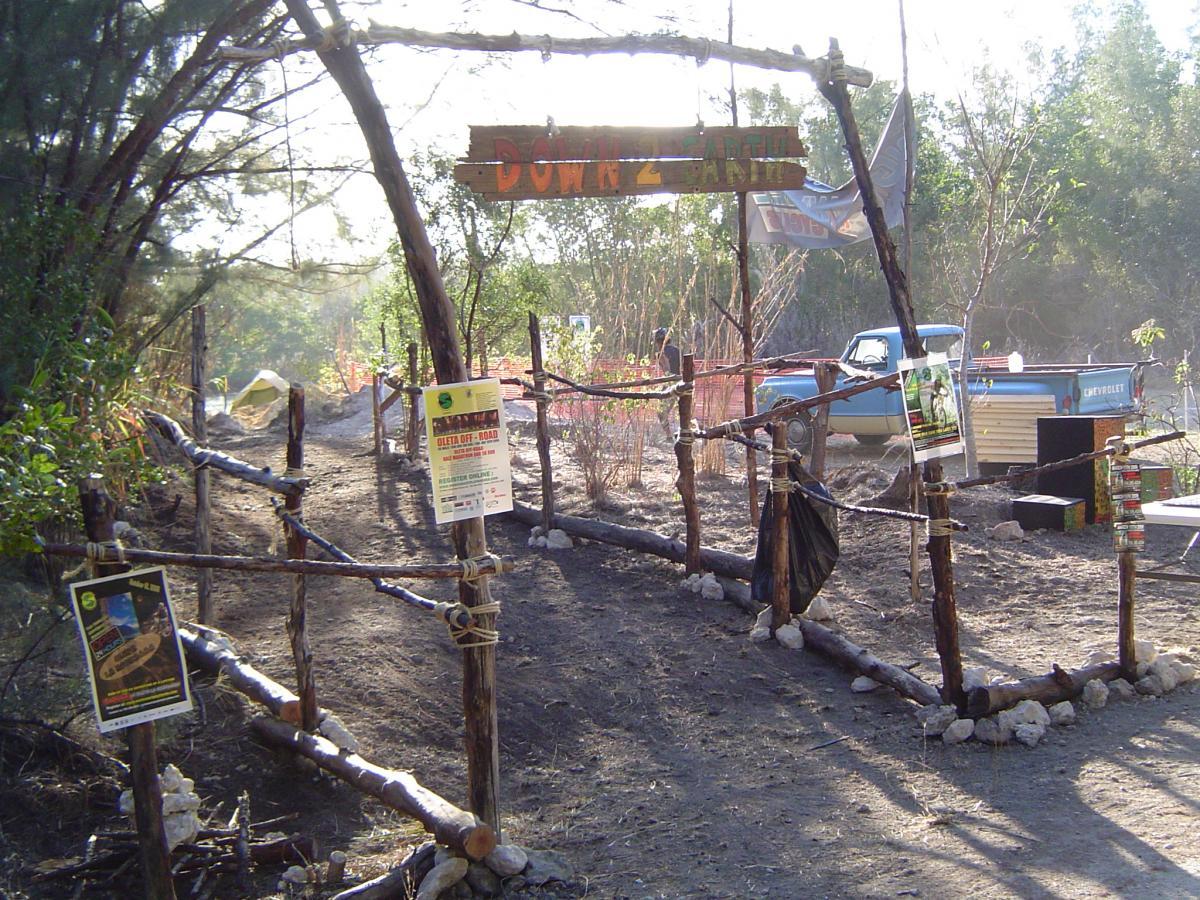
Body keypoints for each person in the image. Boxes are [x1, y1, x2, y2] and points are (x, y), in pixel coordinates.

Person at [654, 327, 682, 438]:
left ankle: (669, 436)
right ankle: (703, 430)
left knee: (661, 412)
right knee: (686, 413)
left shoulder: (661, 354)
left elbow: (667, 371)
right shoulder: (677, 350)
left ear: (658, 341)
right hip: (682, 382)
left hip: (671, 384)